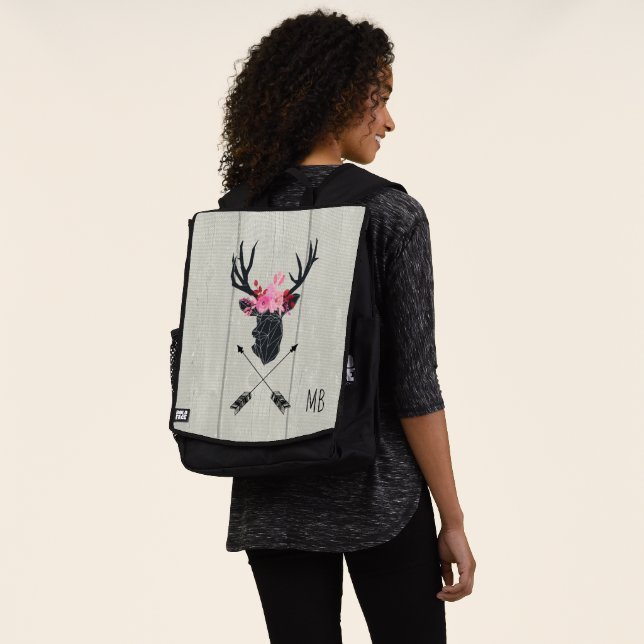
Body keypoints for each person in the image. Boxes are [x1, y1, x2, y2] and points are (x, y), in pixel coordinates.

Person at [217, 9, 476, 643]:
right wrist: (453, 519)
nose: (388, 121)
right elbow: (415, 386)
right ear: (337, 97)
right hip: (379, 494)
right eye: (378, 100)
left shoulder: (236, 213)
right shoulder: (391, 213)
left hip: (270, 500)